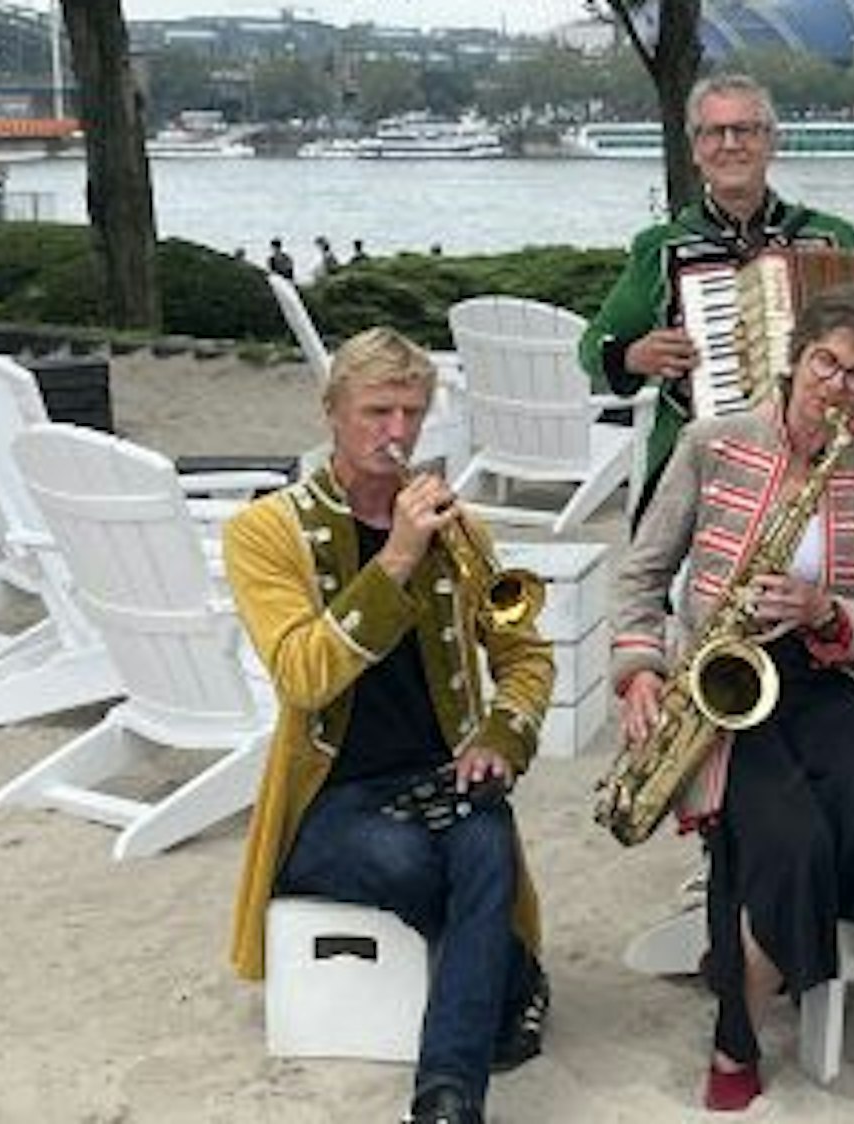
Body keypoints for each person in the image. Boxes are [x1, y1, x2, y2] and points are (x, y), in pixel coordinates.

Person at [610, 289, 854, 1112]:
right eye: (826, 362)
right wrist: (640, 671)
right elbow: (642, 573)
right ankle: (738, 1032)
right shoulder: (711, 443)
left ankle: (800, 934)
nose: (836, 384)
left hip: (818, 676)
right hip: (719, 688)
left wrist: (824, 611)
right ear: (795, 358)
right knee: (788, 840)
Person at [225, 328, 555, 1124]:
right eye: (376, 411)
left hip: (440, 771)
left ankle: (446, 1098)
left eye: (412, 413)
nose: (396, 434)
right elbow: (304, 673)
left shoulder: (460, 527)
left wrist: (502, 740)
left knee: (482, 840)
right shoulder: (266, 531)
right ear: (332, 412)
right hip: (332, 794)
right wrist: (398, 559)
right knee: (427, 866)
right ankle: (513, 977)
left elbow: (526, 656)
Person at [580, 73, 854, 529]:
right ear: (695, 149)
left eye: (746, 130)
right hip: (698, 463)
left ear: (772, 143)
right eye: (714, 132)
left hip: (819, 464)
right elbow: (592, 350)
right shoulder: (662, 248)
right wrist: (633, 355)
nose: (730, 144)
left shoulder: (831, 237)